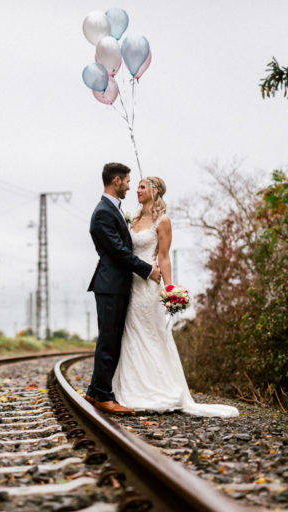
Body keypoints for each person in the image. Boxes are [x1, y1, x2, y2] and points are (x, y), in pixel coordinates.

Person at [110, 176, 238, 417]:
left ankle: (158, 388)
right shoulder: (133, 219)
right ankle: (130, 388)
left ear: (155, 191)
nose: (137, 190)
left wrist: (170, 290)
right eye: (136, 186)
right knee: (131, 334)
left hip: (149, 285)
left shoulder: (163, 220)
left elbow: (164, 256)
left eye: (142, 187)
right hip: (130, 284)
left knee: (151, 333)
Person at [85, 162, 161, 415]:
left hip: (114, 283)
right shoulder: (103, 211)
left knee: (111, 339)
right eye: (128, 181)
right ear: (116, 181)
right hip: (110, 285)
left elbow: (114, 248)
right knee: (109, 340)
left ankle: (96, 391)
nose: (130, 186)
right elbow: (118, 251)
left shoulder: (111, 209)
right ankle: (104, 396)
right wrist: (148, 270)